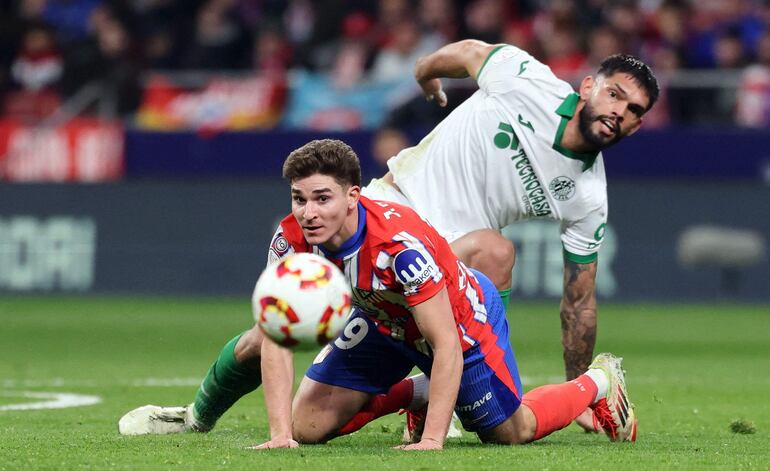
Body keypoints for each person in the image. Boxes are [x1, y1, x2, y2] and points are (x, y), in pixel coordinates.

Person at [119, 39, 657, 435]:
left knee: (494, 252)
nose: (618, 112)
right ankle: (195, 417)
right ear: (588, 86)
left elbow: (578, 301)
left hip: (443, 259)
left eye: (633, 111)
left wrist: (576, 381)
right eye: (614, 95)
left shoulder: (588, 196)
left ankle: (468, 393)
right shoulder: (528, 80)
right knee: (277, 336)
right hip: (384, 214)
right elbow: (470, 52)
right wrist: (425, 73)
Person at [120, 139, 636, 448]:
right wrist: (279, 435)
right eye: (299, 199)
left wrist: (433, 441)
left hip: (457, 322)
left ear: (353, 197)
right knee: (307, 426)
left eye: (322, 198)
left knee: (509, 432)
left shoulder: (399, 248)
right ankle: (419, 391)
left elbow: (446, 343)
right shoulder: (290, 239)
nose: (309, 212)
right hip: (384, 322)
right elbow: (278, 334)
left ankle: (597, 381)